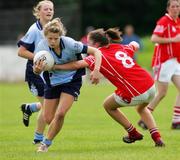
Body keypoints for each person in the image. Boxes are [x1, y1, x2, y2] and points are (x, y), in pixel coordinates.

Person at [49, 28, 165, 148]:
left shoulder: (96, 56)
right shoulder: (121, 47)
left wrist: (55, 66)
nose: (87, 46)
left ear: (96, 44)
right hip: (151, 86)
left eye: (89, 43)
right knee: (141, 109)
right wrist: (133, 45)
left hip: (135, 91)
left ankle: (133, 133)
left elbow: (76, 64)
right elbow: (134, 45)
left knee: (108, 106)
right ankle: (157, 138)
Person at [33, 18, 102, 152]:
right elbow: (36, 70)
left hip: (71, 81)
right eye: (50, 38)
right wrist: (37, 70)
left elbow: (97, 52)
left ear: (61, 37)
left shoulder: (71, 44)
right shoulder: (41, 47)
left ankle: (45, 144)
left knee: (60, 114)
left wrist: (96, 70)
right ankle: (43, 120)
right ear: (45, 37)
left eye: (56, 38)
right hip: (52, 82)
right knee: (48, 118)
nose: (52, 41)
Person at [138, 0, 180, 130]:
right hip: (163, 61)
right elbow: (154, 38)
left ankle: (176, 121)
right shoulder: (164, 21)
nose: (175, 9)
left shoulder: (178, 22)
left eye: (177, 6)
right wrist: (172, 40)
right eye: (172, 6)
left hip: (175, 61)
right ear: (168, 8)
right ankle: (146, 117)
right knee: (162, 93)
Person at [17, 0, 54, 143]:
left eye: (51, 9)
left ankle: (30, 108)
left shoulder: (53, 27)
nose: (49, 11)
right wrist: (39, 58)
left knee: (51, 104)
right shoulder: (34, 30)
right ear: (38, 12)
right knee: (48, 108)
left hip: (48, 72)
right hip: (35, 72)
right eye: (46, 9)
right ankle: (38, 138)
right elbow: (21, 51)